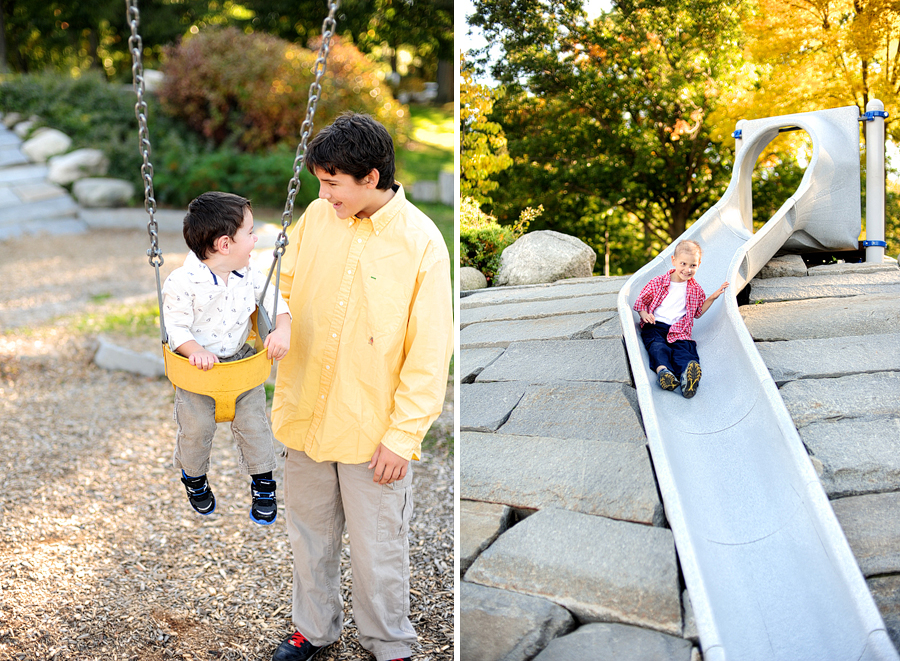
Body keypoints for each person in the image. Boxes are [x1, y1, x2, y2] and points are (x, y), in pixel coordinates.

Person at [269, 113, 453, 661]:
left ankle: (389, 642)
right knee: (310, 536)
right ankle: (314, 627)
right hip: (305, 412)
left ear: (370, 178)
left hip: (372, 430)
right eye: (320, 183)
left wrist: (403, 436)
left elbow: (429, 349)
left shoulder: (422, 242)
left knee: (379, 549)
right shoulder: (316, 219)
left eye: (332, 183)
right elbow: (285, 283)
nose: (323, 194)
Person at [162, 191, 291, 524]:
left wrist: (282, 329)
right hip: (197, 371)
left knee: (255, 427)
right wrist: (196, 351)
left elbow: (275, 303)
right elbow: (175, 327)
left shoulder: (249, 274)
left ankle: (264, 484)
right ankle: (194, 477)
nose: (255, 238)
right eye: (249, 233)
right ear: (224, 245)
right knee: (196, 429)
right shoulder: (182, 282)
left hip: (240, 362)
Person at [633, 239, 728, 398]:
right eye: (683, 264)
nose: (687, 269)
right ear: (674, 261)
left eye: (693, 265)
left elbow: (698, 313)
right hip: (656, 325)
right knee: (657, 347)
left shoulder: (696, 290)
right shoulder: (658, 282)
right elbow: (641, 301)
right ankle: (664, 372)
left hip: (679, 330)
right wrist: (644, 315)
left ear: (699, 264)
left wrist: (712, 297)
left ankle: (687, 377)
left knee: (685, 351)